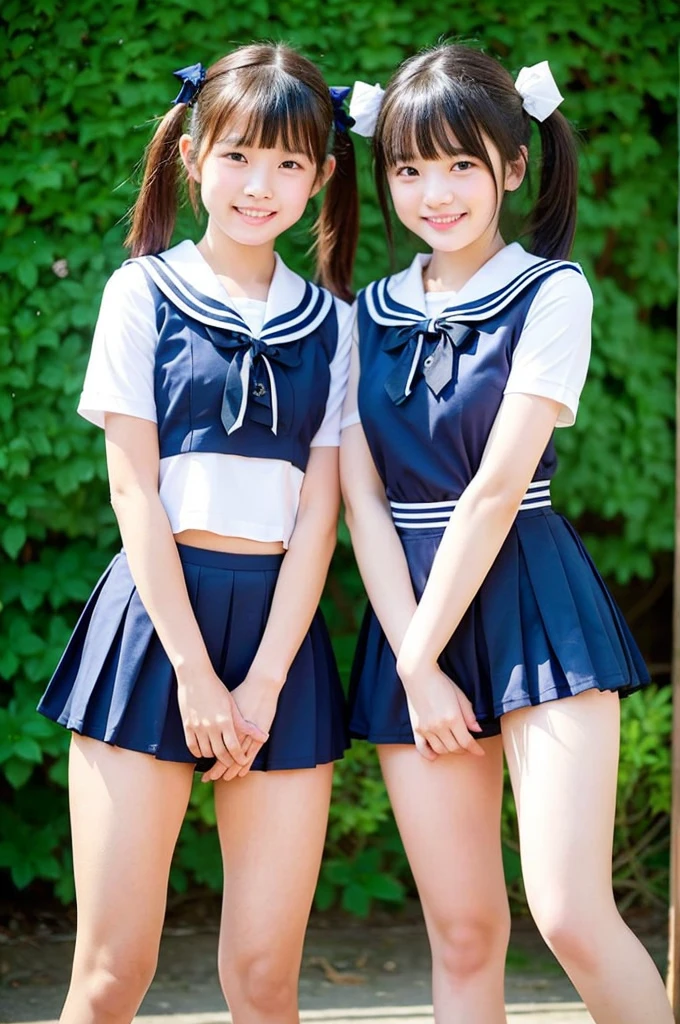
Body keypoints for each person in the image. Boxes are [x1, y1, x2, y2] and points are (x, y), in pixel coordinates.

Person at [341, 45, 671, 1024]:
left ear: (512, 167)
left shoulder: (551, 291)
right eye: (407, 169)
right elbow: (361, 499)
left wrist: (412, 659)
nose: (432, 193)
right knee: (461, 931)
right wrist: (415, 657)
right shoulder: (363, 313)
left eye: (458, 166)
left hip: (530, 599)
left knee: (568, 911)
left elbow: (492, 489)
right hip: (412, 612)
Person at [38, 43, 358, 1024]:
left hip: (277, 641)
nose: (259, 185)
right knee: (109, 978)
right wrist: (191, 668)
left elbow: (320, 510)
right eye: (237, 156)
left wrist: (257, 680)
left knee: (265, 981)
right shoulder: (140, 294)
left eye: (288, 163)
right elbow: (134, 489)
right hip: (154, 630)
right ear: (190, 154)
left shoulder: (335, 325)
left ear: (320, 176)